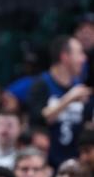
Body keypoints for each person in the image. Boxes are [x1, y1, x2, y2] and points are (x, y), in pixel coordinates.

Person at [27, 35, 90, 168]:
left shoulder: (79, 87)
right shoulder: (41, 84)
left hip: (75, 161)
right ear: (65, 57)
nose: (84, 59)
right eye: (79, 53)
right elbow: (39, 118)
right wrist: (69, 99)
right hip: (46, 163)